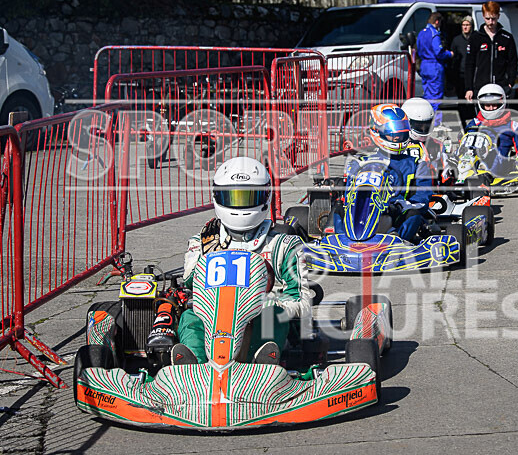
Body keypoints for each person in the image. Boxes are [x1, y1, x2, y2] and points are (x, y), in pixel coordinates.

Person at [146, 156, 313, 366]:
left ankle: (262, 367)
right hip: (216, 320)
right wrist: (204, 255)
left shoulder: (285, 245)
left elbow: (302, 302)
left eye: (248, 197)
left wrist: (272, 303)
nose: (239, 205)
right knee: (190, 317)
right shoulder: (203, 241)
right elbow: (189, 286)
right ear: (217, 197)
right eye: (232, 197)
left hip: (262, 319)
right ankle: (193, 368)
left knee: (272, 317)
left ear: (265, 196)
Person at [337, 104, 433, 243]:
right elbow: (349, 192)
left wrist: (404, 205)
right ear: (377, 132)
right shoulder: (361, 162)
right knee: (339, 209)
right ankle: (339, 239)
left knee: (414, 215)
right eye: (393, 135)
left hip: (395, 212)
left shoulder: (416, 163)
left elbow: (423, 197)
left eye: (401, 135)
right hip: (363, 209)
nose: (397, 139)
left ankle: (398, 240)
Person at [465, 83, 518, 171]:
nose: (491, 108)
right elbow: (466, 144)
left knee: (492, 155)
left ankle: (484, 172)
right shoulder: (475, 123)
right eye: (487, 105)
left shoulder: (512, 126)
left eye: (494, 104)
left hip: (499, 164)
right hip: (473, 160)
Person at [464, 1, 518, 101]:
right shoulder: (475, 38)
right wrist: (469, 88)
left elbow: (513, 62)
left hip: (501, 86)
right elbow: (469, 64)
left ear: (498, 16)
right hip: (480, 86)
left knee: (500, 116)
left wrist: (510, 82)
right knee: (482, 116)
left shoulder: (506, 38)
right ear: (483, 16)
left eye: (493, 19)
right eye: (487, 19)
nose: (490, 22)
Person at [416, 12, 453, 111]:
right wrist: (449, 54)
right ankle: (436, 122)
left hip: (424, 65)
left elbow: (418, 49)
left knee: (427, 94)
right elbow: (438, 52)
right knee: (436, 96)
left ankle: (427, 118)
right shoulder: (434, 34)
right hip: (434, 66)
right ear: (437, 22)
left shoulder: (421, 32)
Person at [401, 97, 443, 181]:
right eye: (419, 126)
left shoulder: (438, 145)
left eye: (427, 125)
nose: (424, 129)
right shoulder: (397, 146)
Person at [450, 15, 474, 126]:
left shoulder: (476, 38)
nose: (465, 27)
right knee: (461, 99)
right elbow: (453, 60)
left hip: (474, 74)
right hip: (460, 74)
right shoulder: (457, 40)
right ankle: (463, 121)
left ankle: (473, 120)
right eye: (463, 25)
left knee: (473, 100)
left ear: (471, 26)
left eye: (467, 25)